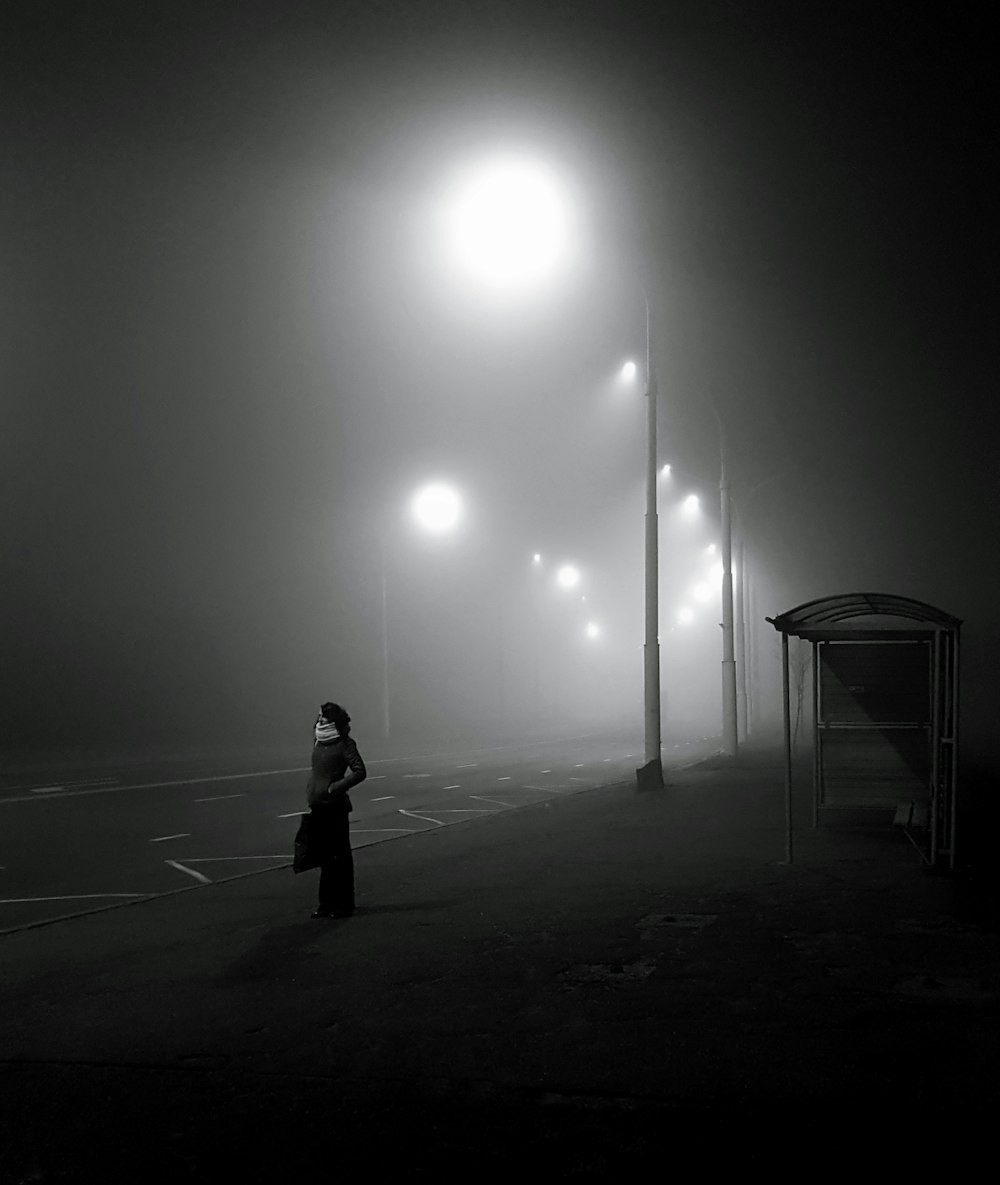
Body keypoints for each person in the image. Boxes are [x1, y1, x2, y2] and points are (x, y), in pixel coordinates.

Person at [305, 701, 367, 918]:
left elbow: (360, 771)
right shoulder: (318, 741)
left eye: (324, 717)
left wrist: (335, 787)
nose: (320, 720)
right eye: (320, 716)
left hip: (335, 807)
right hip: (318, 805)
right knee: (324, 857)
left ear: (334, 721)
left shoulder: (345, 743)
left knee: (340, 856)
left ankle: (344, 904)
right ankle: (326, 904)